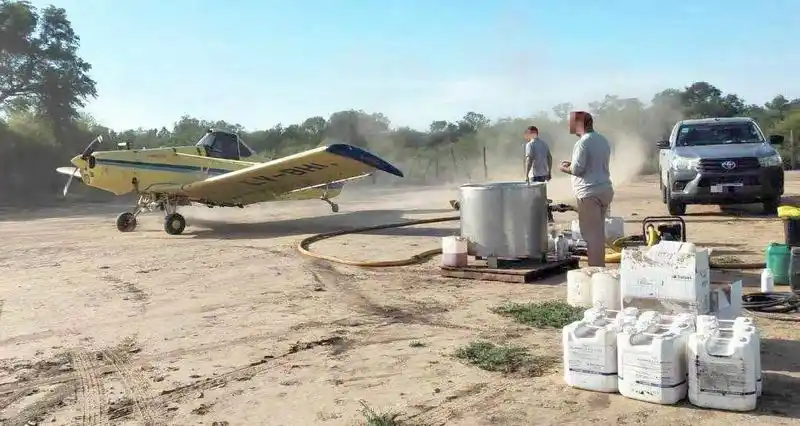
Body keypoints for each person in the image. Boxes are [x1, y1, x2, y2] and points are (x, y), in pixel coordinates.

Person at [558, 112, 614, 267]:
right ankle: (599, 267)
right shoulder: (602, 140)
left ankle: (596, 271)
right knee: (598, 233)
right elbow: (593, 164)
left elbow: (577, 170)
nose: (569, 126)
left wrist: (563, 168)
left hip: (589, 193)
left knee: (591, 235)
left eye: (571, 122)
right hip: (604, 189)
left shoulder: (582, 143)